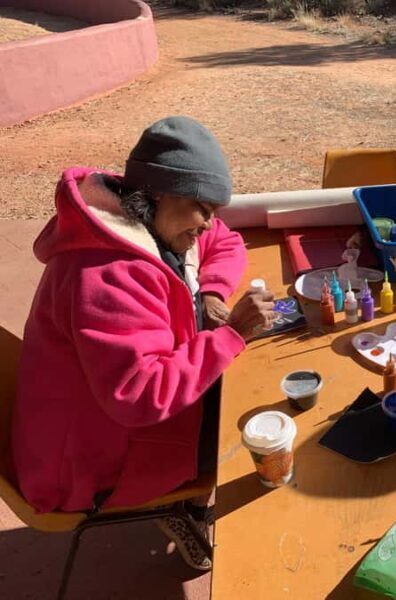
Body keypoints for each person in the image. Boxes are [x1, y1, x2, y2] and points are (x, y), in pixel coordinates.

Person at [11, 116, 278, 569]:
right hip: (86, 464)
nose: (208, 224)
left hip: (103, 422)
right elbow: (140, 394)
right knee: (248, 426)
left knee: (245, 389)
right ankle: (175, 504)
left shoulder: (151, 217)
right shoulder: (105, 277)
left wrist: (210, 292)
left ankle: (185, 503)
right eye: (204, 209)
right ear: (160, 193)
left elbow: (225, 241)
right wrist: (230, 335)